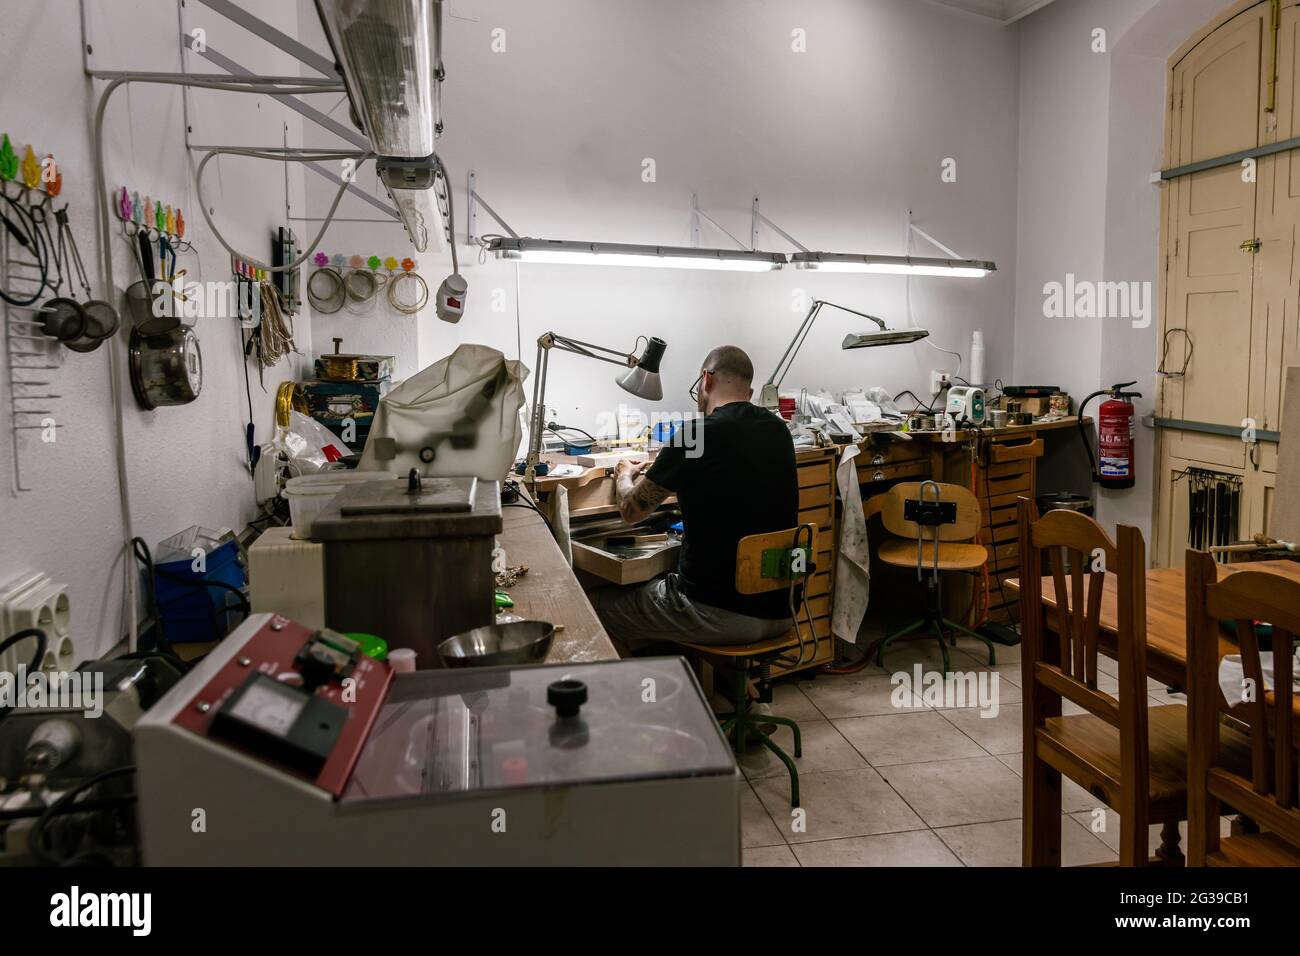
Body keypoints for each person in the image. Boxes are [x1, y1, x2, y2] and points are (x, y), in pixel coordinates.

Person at [592, 345, 799, 650]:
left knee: (597, 607)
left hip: (718, 614)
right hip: (783, 610)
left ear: (706, 380)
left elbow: (631, 511)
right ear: (750, 391)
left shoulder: (697, 434)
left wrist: (624, 474)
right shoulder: (779, 432)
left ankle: (638, 692)